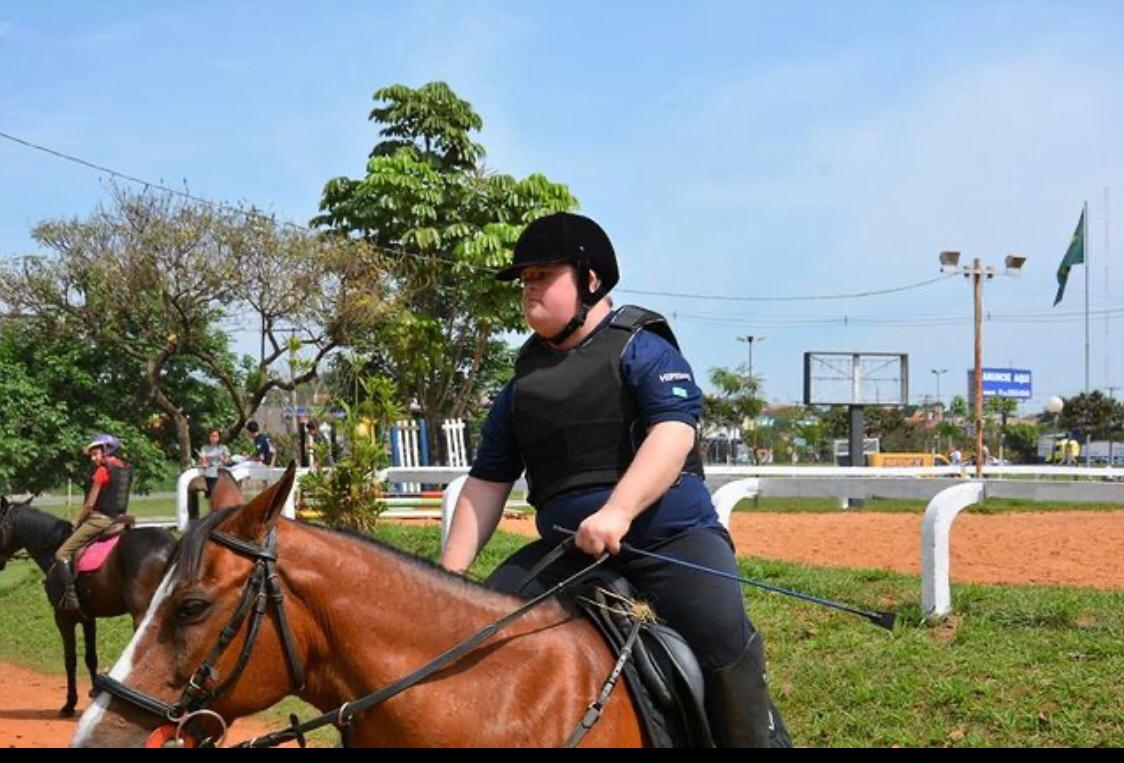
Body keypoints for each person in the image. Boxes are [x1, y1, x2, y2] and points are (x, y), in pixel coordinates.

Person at [440, 212, 785, 747]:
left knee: (723, 643)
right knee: (479, 636)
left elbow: (673, 434)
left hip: (670, 540)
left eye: (542, 276)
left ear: (590, 279)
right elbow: (487, 482)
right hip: (568, 554)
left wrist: (618, 512)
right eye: (524, 280)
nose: (529, 290)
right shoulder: (520, 387)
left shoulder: (641, 348)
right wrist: (449, 576)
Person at [53, 434, 133, 615]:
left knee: (62, 553)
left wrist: (79, 521)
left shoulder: (102, 471)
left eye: (95, 453)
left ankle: (71, 597)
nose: (93, 458)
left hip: (102, 519)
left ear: (106, 451)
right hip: (121, 518)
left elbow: (90, 504)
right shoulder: (127, 468)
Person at [198, 428, 232, 497]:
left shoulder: (223, 448)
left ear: (219, 437)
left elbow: (228, 461)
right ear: (209, 437)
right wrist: (203, 462)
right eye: (212, 436)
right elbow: (201, 461)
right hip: (208, 471)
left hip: (220, 471)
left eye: (216, 436)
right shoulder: (204, 448)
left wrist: (223, 459)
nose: (214, 438)